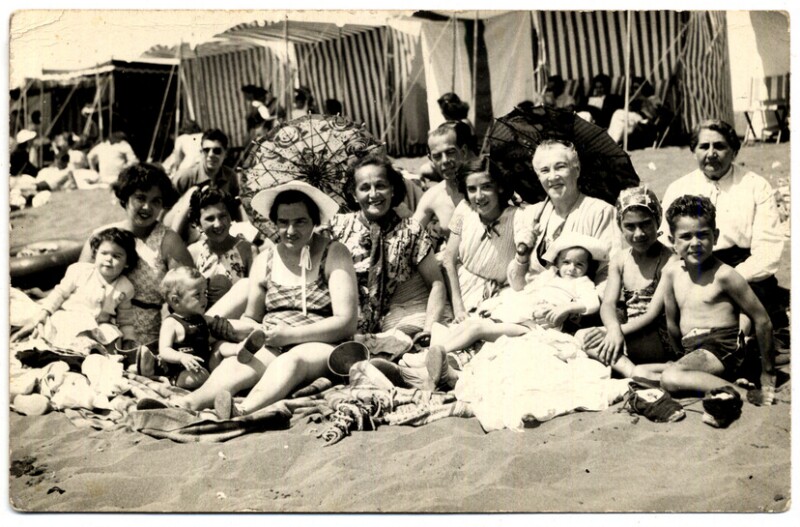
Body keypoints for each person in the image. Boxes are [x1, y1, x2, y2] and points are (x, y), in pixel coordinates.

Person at [173, 181, 358, 414]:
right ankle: (188, 404)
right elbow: (252, 317)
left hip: (320, 343)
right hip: (273, 340)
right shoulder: (265, 260)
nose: (290, 231)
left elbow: (346, 322)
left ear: (315, 220)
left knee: (291, 361)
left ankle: (242, 411)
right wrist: (238, 331)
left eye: (300, 221)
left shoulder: (334, 253)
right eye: (283, 222)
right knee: (238, 364)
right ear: (274, 222)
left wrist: (290, 335)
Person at [423, 232, 607, 390]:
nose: (572, 268)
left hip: (531, 327)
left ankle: (439, 353)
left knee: (477, 329)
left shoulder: (581, 283)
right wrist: (494, 305)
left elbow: (592, 303)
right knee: (469, 324)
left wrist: (567, 307)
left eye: (579, 265)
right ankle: (434, 357)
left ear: (587, 268)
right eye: (566, 262)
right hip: (513, 313)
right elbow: (521, 292)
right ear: (557, 263)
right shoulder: (547, 278)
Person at [659, 119, 788, 330]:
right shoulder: (679, 188)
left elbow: (768, 250)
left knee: (750, 325)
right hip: (693, 269)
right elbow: (666, 242)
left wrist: (730, 279)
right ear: (694, 151)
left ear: (734, 151)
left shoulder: (755, 185)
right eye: (704, 146)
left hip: (744, 272)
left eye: (719, 146)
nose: (711, 153)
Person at [658, 195, 776, 410]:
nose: (695, 243)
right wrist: (680, 357)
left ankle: (743, 393)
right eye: (686, 236)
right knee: (644, 373)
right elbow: (672, 323)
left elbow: (762, 320)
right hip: (694, 348)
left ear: (716, 236)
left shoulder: (725, 275)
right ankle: (725, 380)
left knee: (670, 378)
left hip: (723, 346)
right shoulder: (671, 273)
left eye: (703, 235)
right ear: (672, 241)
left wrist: (767, 373)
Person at [328, 151, 447, 341]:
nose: (374, 194)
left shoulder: (410, 231)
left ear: (392, 189)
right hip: (347, 326)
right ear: (354, 194)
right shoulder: (336, 228)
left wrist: (429, 331)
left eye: (380, 185)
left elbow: (436, 283)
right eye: (364, 188)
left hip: (397, 324)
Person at [79, 163, 195, 345]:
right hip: (93, 330)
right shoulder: (101, 237)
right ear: (126, 198)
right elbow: (76, 286)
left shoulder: (168, 242)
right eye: (140, 198)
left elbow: (190, 297)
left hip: (142, 339)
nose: (147, 207)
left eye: (156, 201)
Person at [578, 186, 678, 376]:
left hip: (657, 335)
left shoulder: (669, 260)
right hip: (628, 331)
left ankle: (640, 370)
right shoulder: (620, 259)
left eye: (645, 224)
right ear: (620, 227)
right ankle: (633, 372)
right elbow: (608, 303)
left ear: (657, 221)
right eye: (630, 227)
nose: (638, 233)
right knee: (582, 336)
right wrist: (613, 329)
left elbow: (652, 314)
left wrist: (617, 331)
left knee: (600, 337)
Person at [510, 139, 619, 298]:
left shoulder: (600, 212)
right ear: (538, 176)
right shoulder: (530, 214)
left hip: (579, 306)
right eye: (545, 170)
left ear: (577, 170)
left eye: (560, 167)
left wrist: (578, 307)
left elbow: (609, 276)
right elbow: (517, 285)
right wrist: (522, 255)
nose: (552, 177)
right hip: (532, 302)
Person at [12, 228, 138, 354]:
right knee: (74, 328)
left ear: (127, 263)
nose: (108, 259)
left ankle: (112, 357)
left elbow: (125, 319)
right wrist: (45, 313)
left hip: (99, 325)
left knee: (114, 336)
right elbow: (60, 293)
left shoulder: (125, 287)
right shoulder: (80, 271)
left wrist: (129, 339)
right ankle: (80, 351)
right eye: (104, 253)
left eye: (116, 256)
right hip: (71, 316)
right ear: (95, 254)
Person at [443, 157, 526, 322]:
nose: (479, 196)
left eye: (486, 187)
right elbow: (448, 260)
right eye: (472, 189)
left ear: (499, 187)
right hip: (461, 288)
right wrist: (458, 306)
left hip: (503, 293)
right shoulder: (464, 210)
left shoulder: (518, 216)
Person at [166, 128, 243, 242]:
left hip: (211, 227)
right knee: (193, 192)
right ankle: (172, 244)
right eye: (206, 150)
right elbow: (166, 209)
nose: (211, 155)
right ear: (201, 152)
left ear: (225, 153)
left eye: (217, 151)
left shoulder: (230, 177)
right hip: (181, 228)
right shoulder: (186, 176)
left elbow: (235, 208)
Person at [188, 186, 254, 306]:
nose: (218, 224)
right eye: (210, 219)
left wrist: (232, 295)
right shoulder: (194, 252)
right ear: (198, 223)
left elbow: (257, 294)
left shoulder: (247, 250)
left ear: (230, 216)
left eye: (222, 216)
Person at [411, 121, 475, 245]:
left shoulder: (483, 187)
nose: (445, 160)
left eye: (450, 152)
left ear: (463, 151)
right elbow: (410, 236)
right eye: (437, 156)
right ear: (430, 159)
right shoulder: (433, 196)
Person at [153, 267, 213, 389]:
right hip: (182, 370)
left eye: (205, 293)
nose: (204, 299)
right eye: (197, 295)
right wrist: (181, 357)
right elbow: (164, 351)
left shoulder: (201, 318)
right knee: (201, 377)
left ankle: (241, 349)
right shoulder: (171, 323)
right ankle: (171, 381)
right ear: (176, 300)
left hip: (204, 364)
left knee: (222, 349)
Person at [606, 77, 663, 149]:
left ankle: (609, 144)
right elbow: (628, 111)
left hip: (644, 121)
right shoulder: (633, 99)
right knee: (619, 122)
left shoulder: (652, 98)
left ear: (643, 88)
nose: (634, 90)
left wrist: (644, 100)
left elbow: (654, 114)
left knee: (618, 114)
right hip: (632, 121)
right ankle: (611, 144)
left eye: (636, 88)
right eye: (633, 88)